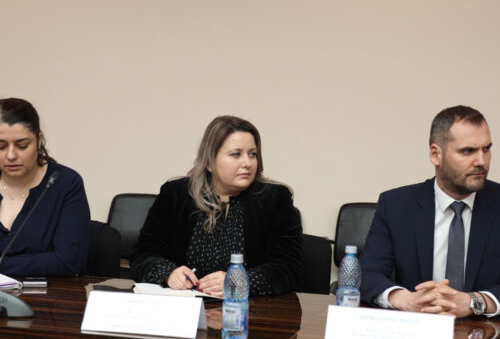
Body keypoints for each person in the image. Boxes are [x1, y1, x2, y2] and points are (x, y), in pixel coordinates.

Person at [131, 115, 302, 297]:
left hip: (247, 308)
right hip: (184, 305)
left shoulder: (275, 199)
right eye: (236, 154)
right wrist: (168, 274)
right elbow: (143, 255)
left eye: (252, 154)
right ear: (209, 162)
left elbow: (288, 267)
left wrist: (240, 282)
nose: (247, 163)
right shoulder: (176, 195)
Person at [360, 105, 500, 318]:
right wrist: (405, 299)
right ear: (436, 154)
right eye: (468, 151)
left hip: (488, 332)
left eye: (486, 149)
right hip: (417, 328)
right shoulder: (396, 205)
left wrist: (476, 302)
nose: (482, 161)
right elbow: (367, 273)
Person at [0, 98, 90, 276]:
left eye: (22, 146)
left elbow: (68, 262)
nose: (11, 155)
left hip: (49, 292)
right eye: (1, 146)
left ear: (39, 140)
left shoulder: (66, 183)